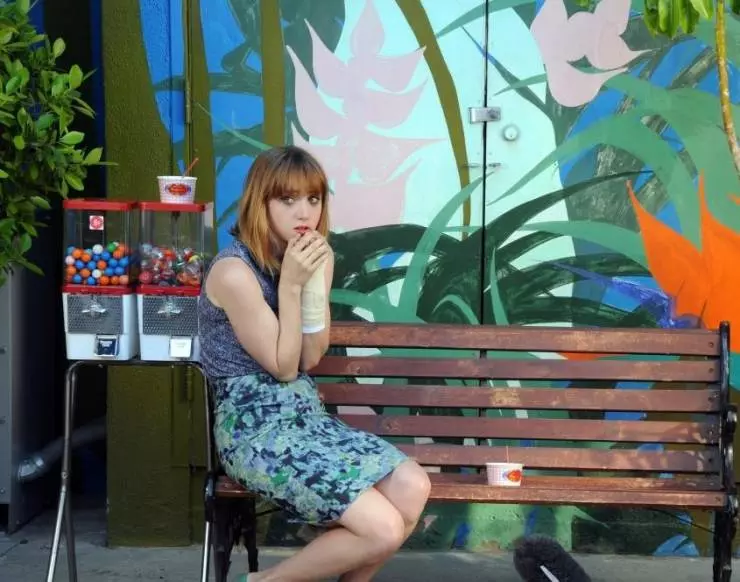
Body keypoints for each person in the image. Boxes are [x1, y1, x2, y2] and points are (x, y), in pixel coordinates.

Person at [198, 145, 431, 582]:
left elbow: (311, 355)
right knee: (382, 528)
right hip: (254, 431)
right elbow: (284, 368)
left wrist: (314, 285)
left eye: (313, 198)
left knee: (412, 486)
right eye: (287, 199)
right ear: (260, 203)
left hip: (306, 419)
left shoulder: (306, 257)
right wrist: (290, 285)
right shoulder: (233, 273)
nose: (303, 211)